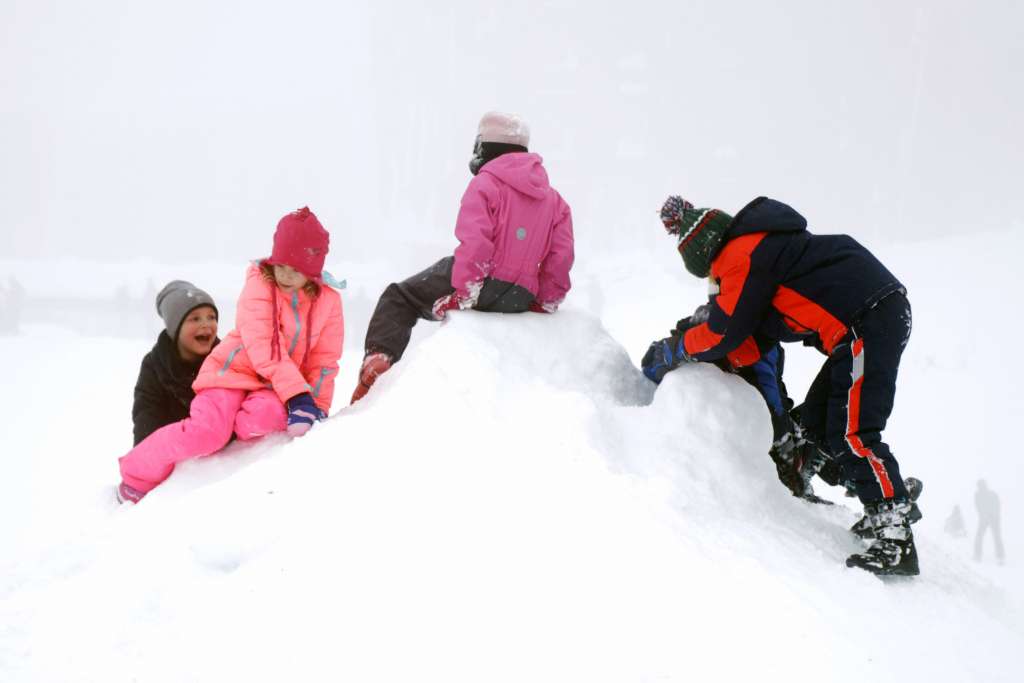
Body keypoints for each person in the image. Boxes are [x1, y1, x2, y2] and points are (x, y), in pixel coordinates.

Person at [643, 195, 918, 576]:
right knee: (819, 422)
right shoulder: (765, 251)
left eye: (712, 277)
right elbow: (754, 339)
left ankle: (894, 534)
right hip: (871, 317)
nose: (715, 284)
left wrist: (673, 351)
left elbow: (723, 333)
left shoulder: (741, 255)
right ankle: (888, 498)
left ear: (706, 257)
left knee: (853, 432)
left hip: (865, 321)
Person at [116, 207, 344, 503]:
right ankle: (135, 474)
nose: (285, 275)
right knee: (208, 432)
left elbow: (324, 360)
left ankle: (230, 435)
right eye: (281, 265)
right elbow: (265, 345)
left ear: (312, 268)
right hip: (231, 373)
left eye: (296, 268)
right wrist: (298, 395)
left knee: (268, 416)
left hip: (274, 386)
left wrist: (318, 406)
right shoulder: (260, 284)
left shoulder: (329, 302)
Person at [351, 111, 574, 403]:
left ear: (485, 148)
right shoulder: (554, 200)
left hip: (482, 284)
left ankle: (378, 360)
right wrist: (545, 300)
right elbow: (561, 255)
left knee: (399, 297)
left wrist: (466, 293)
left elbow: (476, 244)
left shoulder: (486, 183)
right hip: (521, 295)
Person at [132, 280, 220, 445]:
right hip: (178, 454)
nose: (206, 324)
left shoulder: (225, 357)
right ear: (175, 328)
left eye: (211, 317)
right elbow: (146, 420)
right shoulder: (155, 366)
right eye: (195, 319)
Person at [974, 480, 1005, 564]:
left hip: (991, 518)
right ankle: (999, 557)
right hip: (989, 518)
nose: (980, 487)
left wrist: (989, 515)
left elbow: (997, 506)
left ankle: (999, 557)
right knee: (995, 537)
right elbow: (978, 507)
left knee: (993, 537)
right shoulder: (983, 494)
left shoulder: (981, 495)